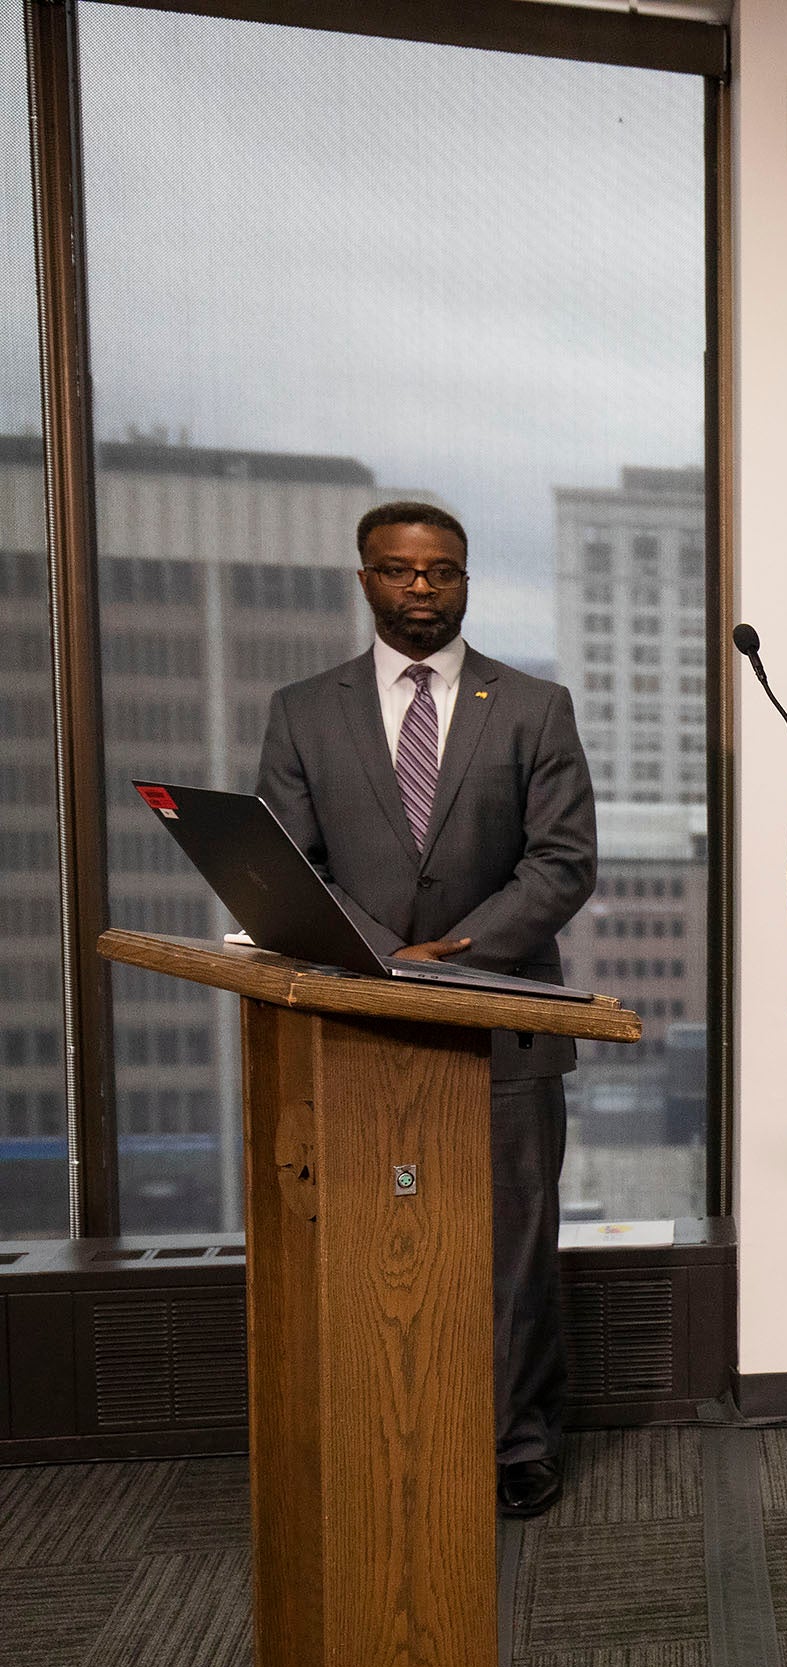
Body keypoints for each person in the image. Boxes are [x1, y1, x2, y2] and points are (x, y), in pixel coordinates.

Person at [257, 501, 597, 1520]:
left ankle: (516, 1442)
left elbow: (565, 861)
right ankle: (383, 1428)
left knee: (513, 1242)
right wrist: (377, 957)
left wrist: (451, 957)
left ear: (465, 579)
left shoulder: (533, 705)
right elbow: (287, 861)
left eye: (441, 570)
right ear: (363, 578)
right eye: (398, 570)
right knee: (372, 1242)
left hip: (504, 1017)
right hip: (356, 1025)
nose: (420, 588)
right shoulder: (302, 711)